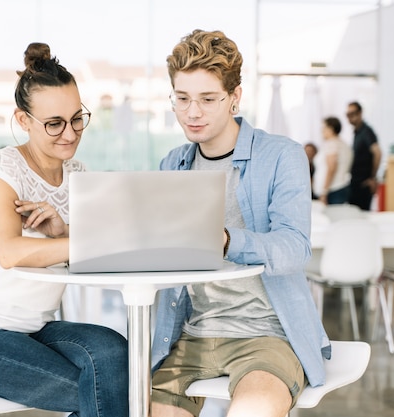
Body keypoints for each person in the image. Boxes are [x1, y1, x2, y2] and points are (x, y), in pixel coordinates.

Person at [0, 42, 128, 417]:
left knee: (113, 350)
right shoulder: (5, 168)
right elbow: (10, 251)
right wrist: (81, 240)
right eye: (54, 123)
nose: (70, 133)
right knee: (106, 393)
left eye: (77, 119)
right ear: (23, 120)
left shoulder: (77, 175)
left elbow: (93, 256)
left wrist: (62, 231)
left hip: (35, 330)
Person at [151, 29, 330, 417]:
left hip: (265, 334)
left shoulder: (282, 156)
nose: (192, 112)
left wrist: (229, 241)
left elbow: (294, 248)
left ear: (235, 97)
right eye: (182, 99)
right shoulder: (173, 164)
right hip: (192, 334)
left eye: (207, 99)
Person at [346, 101, 382, 210]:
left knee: (360, 217)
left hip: (364, 183)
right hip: (356, 182)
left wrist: (372, 177)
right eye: (348, 114)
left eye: (353, 113)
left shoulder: (366, 131)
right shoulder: (357, 132)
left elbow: (378, 153)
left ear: (360, 113)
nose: (350, 117)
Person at [312, 117, 352, 205]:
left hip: (332, 191)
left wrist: (324, 191)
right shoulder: (344, 144)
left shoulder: (331, 144)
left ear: (331, 129)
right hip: (341, 187)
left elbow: (331, 168)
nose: (322, 131)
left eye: (324, 128)